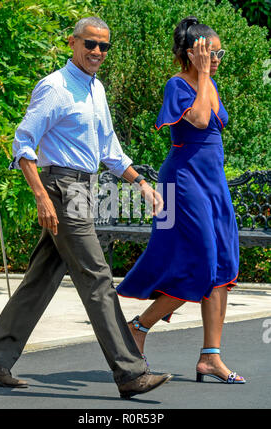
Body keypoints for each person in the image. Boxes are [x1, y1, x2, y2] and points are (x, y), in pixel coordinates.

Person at [0, 16, 172, 399]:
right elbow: (23, 145)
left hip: (83, 187)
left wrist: (142, 184)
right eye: (90, 44)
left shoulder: (95, 89)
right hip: (61, 187)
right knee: (97, 277)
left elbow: (109, 152)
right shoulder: (55, 87)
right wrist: (42, 197)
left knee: (42, 277)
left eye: (104, 46)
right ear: (73, 42)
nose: (97, 52)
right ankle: (130, 372)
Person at [117, 16, 245, 384]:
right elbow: (201, 121)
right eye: (211, 52)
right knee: (199, 264)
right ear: (193, 53)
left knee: (222, 263)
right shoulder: (179, 84)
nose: (218, 58)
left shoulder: (210, 83)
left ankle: (210, 356)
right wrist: (203, 75)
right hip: (184, 182)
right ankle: (138, 326)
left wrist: (207, 77)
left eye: (219, 52)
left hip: (212, 183)